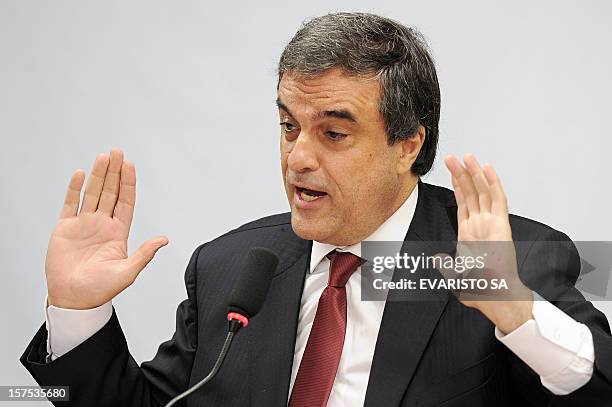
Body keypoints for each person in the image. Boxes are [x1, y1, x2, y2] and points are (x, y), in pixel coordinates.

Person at [21, 12, 612, 406]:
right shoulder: (229, 268)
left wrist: (514, 311)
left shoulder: (497, 259)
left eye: (333, 134)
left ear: (408, 144)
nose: (297, 157)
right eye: (287, 127)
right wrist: (77, 315)